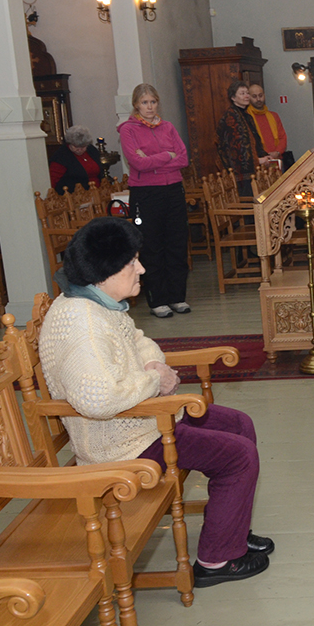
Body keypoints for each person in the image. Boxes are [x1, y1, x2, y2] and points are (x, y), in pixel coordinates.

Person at [38, 217, 271, 587]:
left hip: (143, 421)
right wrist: (152, 380)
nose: (142, 268)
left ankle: (231, 533)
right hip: (120, 445)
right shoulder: (83, 325)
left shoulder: (98, 301)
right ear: (105, 272)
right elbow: (97, 399)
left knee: (239, 424)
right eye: (132, 262)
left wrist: (152, 365)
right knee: (238, 457)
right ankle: (217, 560)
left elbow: (138, 339)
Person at [118, 83, 191, 318]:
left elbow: (183, 159)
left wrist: (153, 160)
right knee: (152, 247)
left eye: (153, 102)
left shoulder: (168, 127)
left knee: (176, 244)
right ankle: (157, 300)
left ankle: (177, 297)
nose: (149, 107)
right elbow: (138, 163)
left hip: (173, 190)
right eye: (144, 102)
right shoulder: (128, 130)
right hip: (146, 193)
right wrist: (167, 155)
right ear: (136, 105)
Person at [217, 81, 267, 197]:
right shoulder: (231, 117)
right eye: (242, 93)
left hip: (253, 170)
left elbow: (255, 140)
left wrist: (264, 155)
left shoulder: (246, 115)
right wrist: (258, 160)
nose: (246, 96)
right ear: (233, 98)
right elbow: (237, 148)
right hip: (241, 174)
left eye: (247, 93)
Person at [247, 84, 293, 169]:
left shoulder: (274, 116)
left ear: (264, 95)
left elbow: (283, 137)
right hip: (258, 162)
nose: (258, 99)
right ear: (249, 97)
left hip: (275, 160)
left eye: (260, 95)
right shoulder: (247, 117)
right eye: (254, 96)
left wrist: (277, 152)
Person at [48, 125, 103, 194]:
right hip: (74, 195)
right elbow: (52, 180)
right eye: (75, 146)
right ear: (69, 143)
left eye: (83, 147)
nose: (79, 150)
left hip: (97, 191)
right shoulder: (61, 156)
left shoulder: (91, 150)